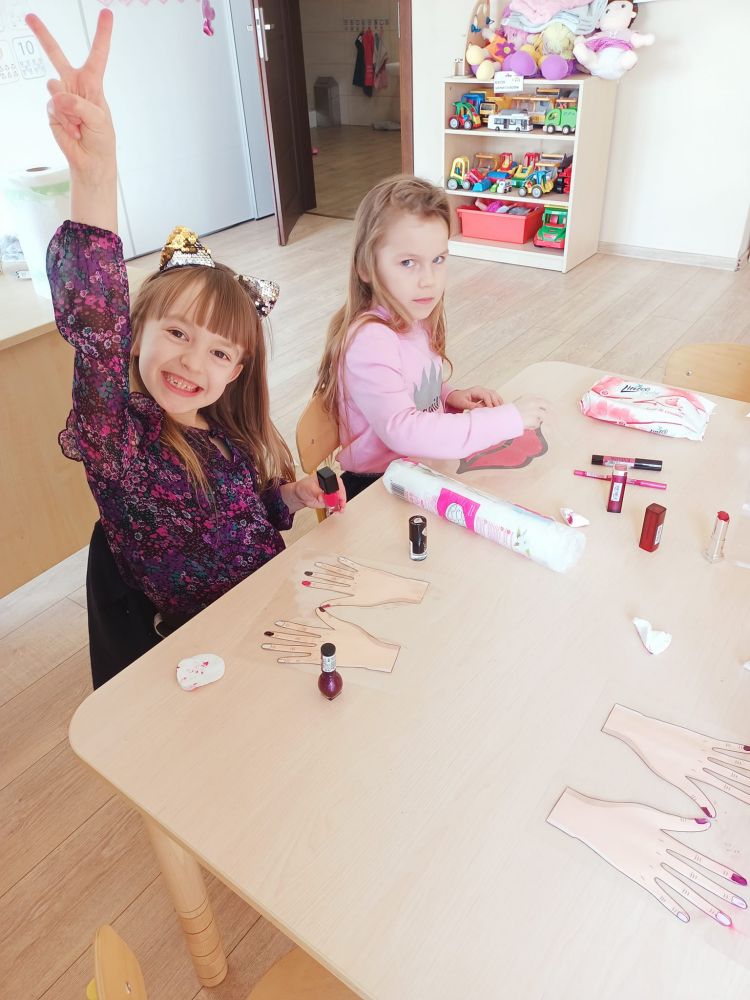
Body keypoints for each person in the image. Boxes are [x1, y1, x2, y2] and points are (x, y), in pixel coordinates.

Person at [27, 10, 345, 688]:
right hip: (205, 655)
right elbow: (93, 322)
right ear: (136, 330)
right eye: (177, 332)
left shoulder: (226, 435)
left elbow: (247, 520)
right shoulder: (120, 442)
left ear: (238, 371)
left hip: (270, 611)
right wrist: (97, 175)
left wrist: (290, 497)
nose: (194, 363)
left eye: (221, 353)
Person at [313, 175, 549, 499]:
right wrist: (506, 419)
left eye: (438, 259)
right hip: (376, 488)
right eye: (408, 262)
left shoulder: (414, 316)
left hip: (419, 468)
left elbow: (407, 384)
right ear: (365, 268)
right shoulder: (371, 340)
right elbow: (403, 430)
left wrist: (448, 396)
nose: (428, 280)